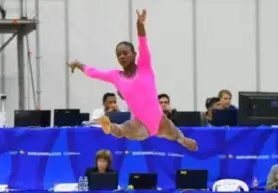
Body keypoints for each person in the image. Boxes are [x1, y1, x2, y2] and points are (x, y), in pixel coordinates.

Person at [68, 9, 197, 151]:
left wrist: (139, 24)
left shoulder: (144, 66)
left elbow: (143, 43)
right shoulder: (115, 76)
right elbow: (94, 73)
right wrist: (78, 64)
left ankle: (184, 141)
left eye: (125, 53)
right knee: (124, 129)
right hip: (140, 123)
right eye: (118, 55)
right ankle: (109, 126)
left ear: (134, 54)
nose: (122, 56)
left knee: (174, 134)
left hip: (159, 119)